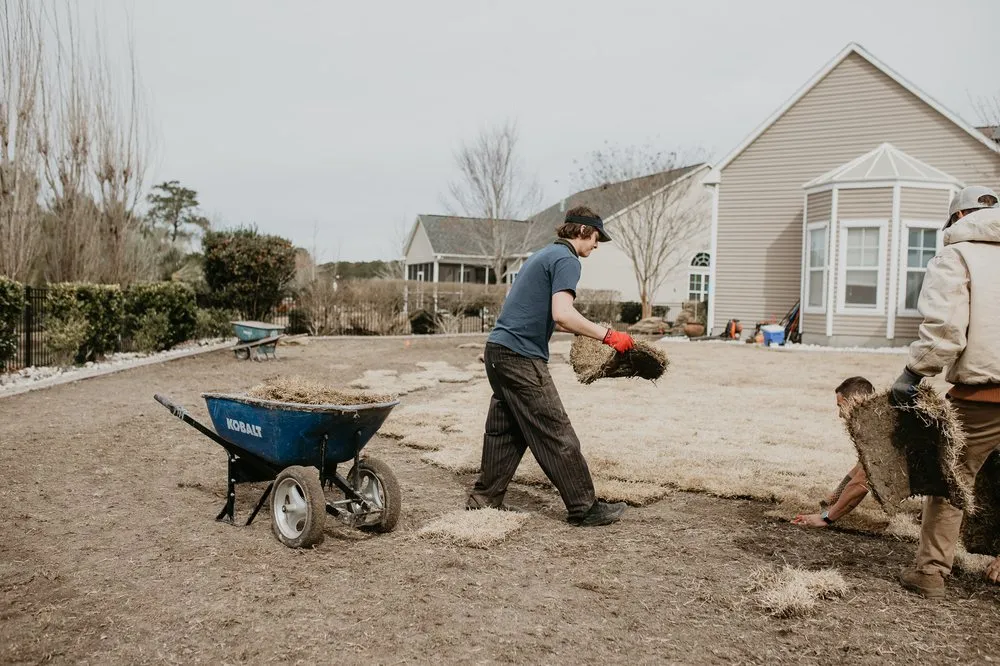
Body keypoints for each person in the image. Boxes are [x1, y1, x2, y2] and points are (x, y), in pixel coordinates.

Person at [466, 206, 635, 527]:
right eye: (597, 238)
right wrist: (609, 336)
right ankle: (584, 507)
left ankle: (484, 499)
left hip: (498, 352)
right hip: (519, 357)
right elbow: (562, 314)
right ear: (583, 232)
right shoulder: (567, 259)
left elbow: (541, 313)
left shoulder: (543, 255)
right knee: (554, 429)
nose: (597, 246)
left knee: (506, 430)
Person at [890, 185, 1000, 599]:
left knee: (950, 480)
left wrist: (913, 373)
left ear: (956, 219)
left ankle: (930, 571)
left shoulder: (957, 255)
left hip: (984, 395)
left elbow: (945, 329)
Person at [792, 377, 876, 528]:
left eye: (840, 406)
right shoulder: (876, 420)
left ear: (856, 400)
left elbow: (862, 482)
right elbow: (861, 466)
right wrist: (833, 497)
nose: (840, 415)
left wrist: (825, 518)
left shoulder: (878, 429)